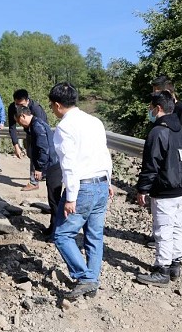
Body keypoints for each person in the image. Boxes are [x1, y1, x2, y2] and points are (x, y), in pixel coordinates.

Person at [49, 82, 114, 299]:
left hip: (83, 187)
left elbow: (68, 165)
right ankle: (92, 280)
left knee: (62, 235)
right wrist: (109, 181)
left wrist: (71, 197)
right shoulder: (94, 121)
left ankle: (84, 277)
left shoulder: (65, 127)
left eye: (51, 106)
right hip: (101, 183)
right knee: (94, 236)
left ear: (58, 105)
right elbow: (105, 153)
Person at [136, 90, 182, 286]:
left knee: (162, 230)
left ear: (158, 108)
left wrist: (143, 189)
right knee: (176, 227)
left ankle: (162, 270)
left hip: (165, 189)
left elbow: (151, 165)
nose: (150, 111)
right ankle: (174, 264)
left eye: (151, 108)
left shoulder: (158, 131)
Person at [146, 76, 182, 259]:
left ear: (167, 91)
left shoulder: (181, 109)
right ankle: (169, 247)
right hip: (167, 165)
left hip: (177, 164)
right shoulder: (161, 117)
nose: (154, 95)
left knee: (178, 208)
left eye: (156, 91)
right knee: (170, 214)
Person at [14, 106, 62, 237]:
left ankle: (57, 233)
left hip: (53, 165)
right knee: (54, 200)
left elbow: (43, 148)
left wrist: (39, 168)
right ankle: (53, 228)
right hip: (53, 164)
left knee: (54, 201)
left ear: (23, 116)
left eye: (19, 121)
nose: (20, 124)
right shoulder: (36, 124)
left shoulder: (37, 126)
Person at [8, 89, 49, 191]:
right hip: (29, 132)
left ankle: (34, 182)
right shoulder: (13, 107)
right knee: (30, 153)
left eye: (21, 104)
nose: (19, 107)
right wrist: (16, 146)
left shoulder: (36, 109)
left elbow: (42, 129)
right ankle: (41, 174)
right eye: (17, 104)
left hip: (40, 133)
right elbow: (12, 127)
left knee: (37, 153)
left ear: (27, 100)